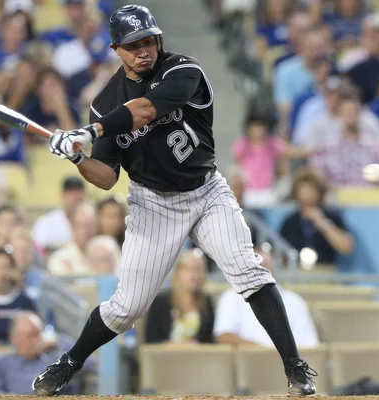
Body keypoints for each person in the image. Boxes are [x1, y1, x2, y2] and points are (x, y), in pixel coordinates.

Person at [32, 5, 317, 397]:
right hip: (154, 204)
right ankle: (68, 363)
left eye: (149, 40)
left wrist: (89, 130)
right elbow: (106, 177)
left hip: (206, 190)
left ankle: (295, 368)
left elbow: (146, 110)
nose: (144, 50)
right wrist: (79, 157)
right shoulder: (105, 100)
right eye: (133, 45)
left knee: (249, 272)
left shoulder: (182, 69)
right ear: (116, 49)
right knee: (126, 308)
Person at [214, 244, 318, 346]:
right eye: (257, 265)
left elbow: (309, 344)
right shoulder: (231, 297)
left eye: (266, 266)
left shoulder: (294, 301)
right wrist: (262, 352)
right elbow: (223, 336)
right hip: (249, 360)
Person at [0, 311, 92, 395]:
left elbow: (90, 363)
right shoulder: (0, 363)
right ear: (14, 338)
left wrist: (57, 341)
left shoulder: (55, 358)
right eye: (30, 335)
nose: (36, 340)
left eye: (38, 334)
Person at [309, 94, 379, 187]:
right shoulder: (326, 147)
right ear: (339, 115)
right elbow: (316, 176)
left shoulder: (376, 147)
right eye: (347, 112)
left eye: (354, 112)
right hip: (336, 198)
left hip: (370, 197)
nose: (351, 115)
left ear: (360, 114)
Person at [280, 169, 354, 264]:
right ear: (296, 192)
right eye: (304, 189)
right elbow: (280, 252)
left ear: (320, 192)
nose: (308, 194)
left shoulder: (332, 217)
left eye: (312, 189)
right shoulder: (290, 221)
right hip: (296, 272)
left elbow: (346, 248)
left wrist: (323, 223)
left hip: (325, 271)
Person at [145, 249, 214, 344]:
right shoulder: (160, 301)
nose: (194, 274)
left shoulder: (206, 302)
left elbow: (209, 340)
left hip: (198, 356)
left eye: (198, 269)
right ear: (178, 272)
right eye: (189, 269)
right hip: (166, 356)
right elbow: (151, 340)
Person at [232, 115, 287, 208]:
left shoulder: (273, 144)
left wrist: (284, 183)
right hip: (248, 191)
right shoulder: (242, 145)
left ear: (266, 129)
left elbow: (285, 161)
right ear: (248, 129)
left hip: (268, 191)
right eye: (254, 127)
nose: (257, 131)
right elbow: (236, 168)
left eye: (260, 127)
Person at [32, 176, 86, 251]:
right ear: (62, 195)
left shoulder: (91, 222)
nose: (75, 196)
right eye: (71, 192)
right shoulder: (46, 222)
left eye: (78, 191)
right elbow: (39, 249)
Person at [47, 203, 96, 275]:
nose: (86, 231)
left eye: (89, 225)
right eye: (81, 225)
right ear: (72, 227)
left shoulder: (107, 252)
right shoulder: (60, 258)